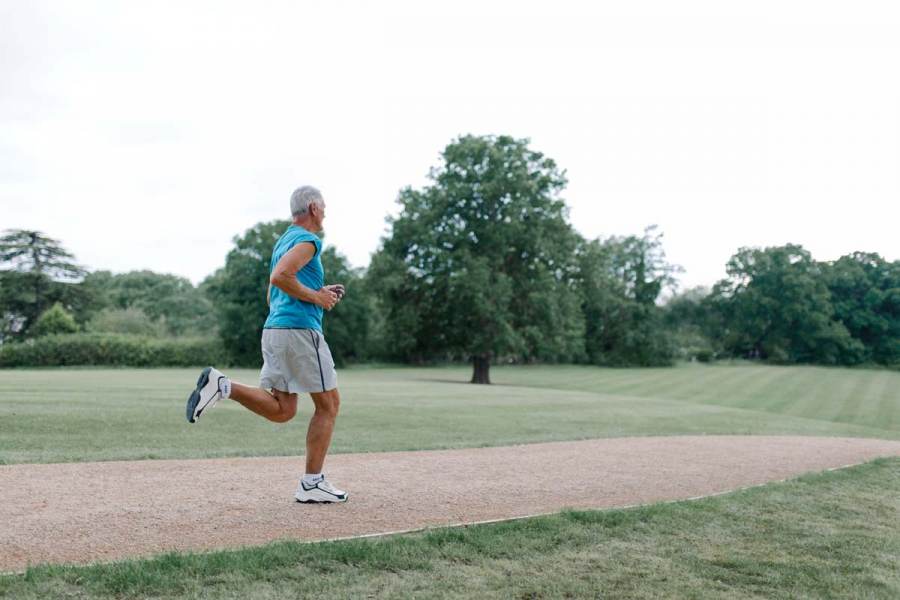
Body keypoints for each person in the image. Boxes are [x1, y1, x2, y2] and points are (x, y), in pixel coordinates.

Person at [186, 186, 348, 503]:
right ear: (314, 207)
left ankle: (223, 386)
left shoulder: (284, 240)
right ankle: (312, 483)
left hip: (275, 329)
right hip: (299, 331)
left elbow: (275, 287)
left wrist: (317, 290)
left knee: (284, 410)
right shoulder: (309, 241)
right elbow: (279, 277)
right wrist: (317, 298)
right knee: (329, 405)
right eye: (324, 206)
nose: (326, 212)